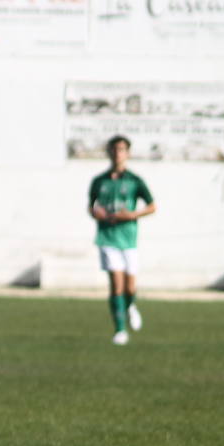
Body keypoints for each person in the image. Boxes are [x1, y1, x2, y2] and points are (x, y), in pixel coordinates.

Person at [88, 135, 156, 345]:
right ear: (109, 152)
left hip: (129, 238)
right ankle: (119, 330)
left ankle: (130, 306)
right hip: (107, 237)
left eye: (121, 150)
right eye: (114, 149)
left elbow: (152, 206)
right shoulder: (99, 181)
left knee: (129, 287)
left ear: (127, 153)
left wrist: (132, 215)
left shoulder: (135, 181)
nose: (118, 153)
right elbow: (92, 206)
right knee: (116, 284)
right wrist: (96, 212)